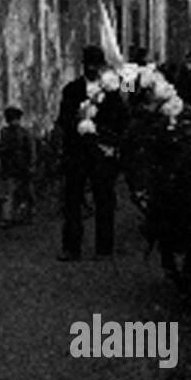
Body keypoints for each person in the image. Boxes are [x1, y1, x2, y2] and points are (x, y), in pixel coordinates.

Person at [57, 45, 128, 260]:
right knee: (72, 202)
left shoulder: (112, 92)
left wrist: (104, 135)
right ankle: (71, 247)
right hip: (77, 153)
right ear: (83, 66)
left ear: (101, 66)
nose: (91, 69)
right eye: (88, 65)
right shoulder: (71, 90)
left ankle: (104, 248)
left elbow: (121, 121)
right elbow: (63, 119)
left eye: (95, 65)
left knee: (104, 201)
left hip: (101, 153)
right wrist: (76, 124)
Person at [0, 106, 35, 225]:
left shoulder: (24, 133)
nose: (14, 121)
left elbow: (31, 150)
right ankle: (7, 217)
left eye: (15, 119)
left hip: (23, 166)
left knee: (26, 193)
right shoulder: (4, 132)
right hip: (9, 167)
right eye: (11, 119)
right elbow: (1, 150)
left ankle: (26, 215)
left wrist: (31, 165)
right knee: (9, 193)